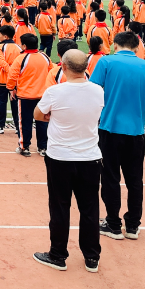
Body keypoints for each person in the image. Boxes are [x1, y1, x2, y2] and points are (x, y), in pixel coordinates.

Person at [32, 50, 104, 273]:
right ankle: (92, 257)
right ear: (86, 68)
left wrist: (53, 115)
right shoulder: (98, 91)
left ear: (63, 67)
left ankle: (58, 255)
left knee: (60, 207)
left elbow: (38, 114)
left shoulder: (55, 91)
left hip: (60, 158)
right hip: (90, 157)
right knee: (90, 208)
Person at [89, 31, 145, 240]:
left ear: (115, 45)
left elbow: (93, 92)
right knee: (135, 179)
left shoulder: (106, 62)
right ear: (137, 47)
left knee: (110, 178)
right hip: (136, 132)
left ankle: (113, 224)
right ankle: (132, 225)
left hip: (109, 129)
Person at [6, 33, 54, 157]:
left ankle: (24, 147)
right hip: (42, 96)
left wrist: (11, 88)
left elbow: (12, 76)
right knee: (42, 122)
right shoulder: (45, 57)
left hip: (25, 96)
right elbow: (52, 72)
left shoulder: (21, 58)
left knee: (24, 123)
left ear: (24, 45)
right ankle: (43, 147)